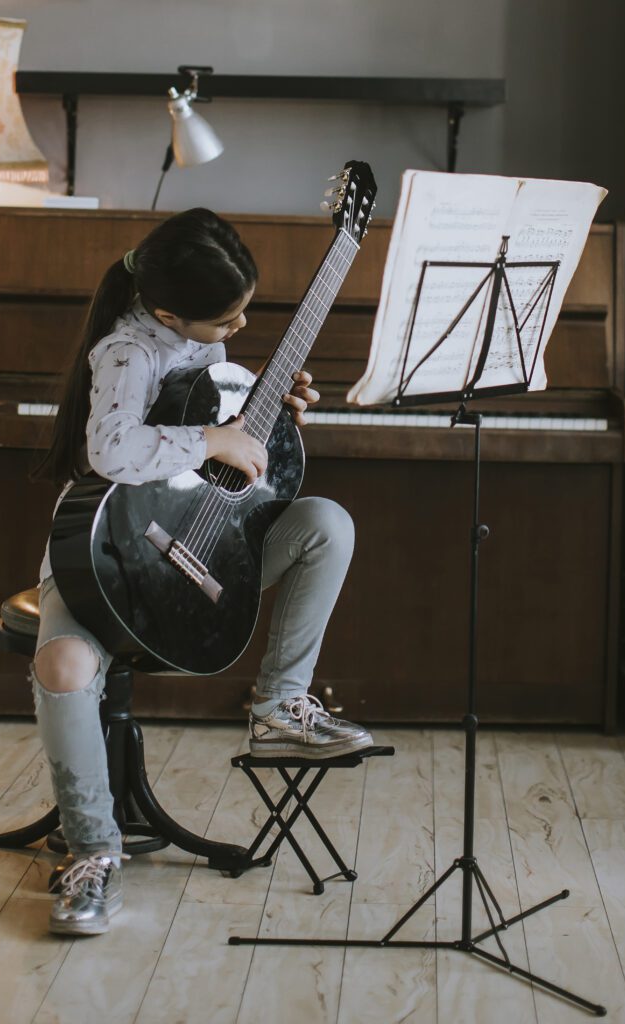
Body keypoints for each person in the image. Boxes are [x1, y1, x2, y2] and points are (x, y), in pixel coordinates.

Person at [32, 208, 372, 936]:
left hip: (205, 550)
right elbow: (113, 450)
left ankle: (280, 708)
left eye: (246, 312)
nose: (239, 329)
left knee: (327, 525)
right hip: (109, 558)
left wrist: (274, 415)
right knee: (63, 666)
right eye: (226, 321)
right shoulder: (128, 351)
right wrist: (211, 437)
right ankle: (93, 851)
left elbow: (247, 453)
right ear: (166, 311)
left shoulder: (204, 342)